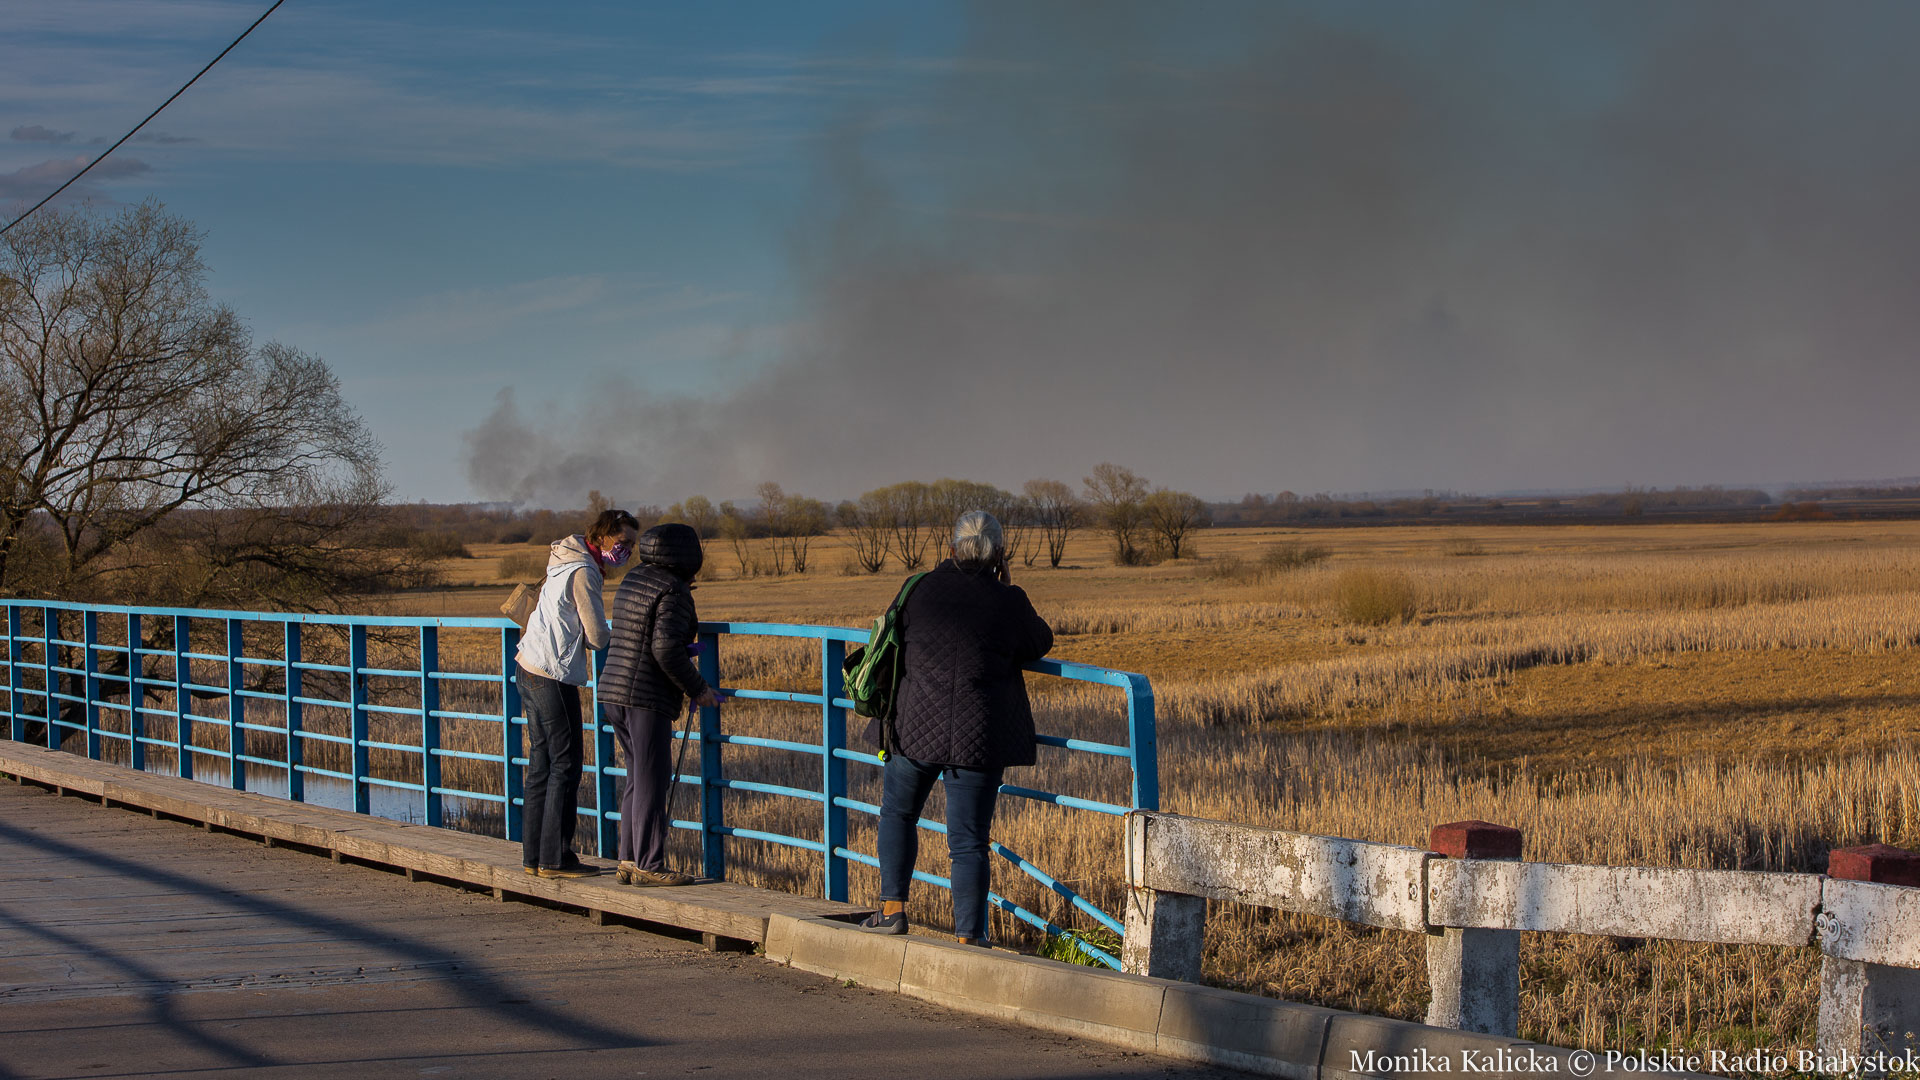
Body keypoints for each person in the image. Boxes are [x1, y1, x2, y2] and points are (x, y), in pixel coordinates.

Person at [858, 510, 1053, 944]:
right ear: (999, 555)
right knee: (968, 841)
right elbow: (1040, 641)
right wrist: (1008, 588)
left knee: (898, 814)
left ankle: (892, 911)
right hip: (977, 737)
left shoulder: (918, 589)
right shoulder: (1008, 600)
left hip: (913, 728)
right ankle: (969, 938)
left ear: (950, 549)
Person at [596, 522, 723, 887]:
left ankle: (628, 859)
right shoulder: (673, 590)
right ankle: (650, 864)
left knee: (637, 776)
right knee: (652, 780)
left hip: (614, 689)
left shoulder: (634, 578)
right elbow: (665, 648)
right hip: (645, 696)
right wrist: (697, 687)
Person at [515, 508, 638, 879]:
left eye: (631, 544)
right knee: (566, 764)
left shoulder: (563, 559)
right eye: (622, 542)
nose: (626, 551)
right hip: (553, 673)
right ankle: (556, 859)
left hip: (528, 664)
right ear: (601, 537)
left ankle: (534, 857)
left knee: (541, 764)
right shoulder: (585, 571)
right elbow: (597, 636)